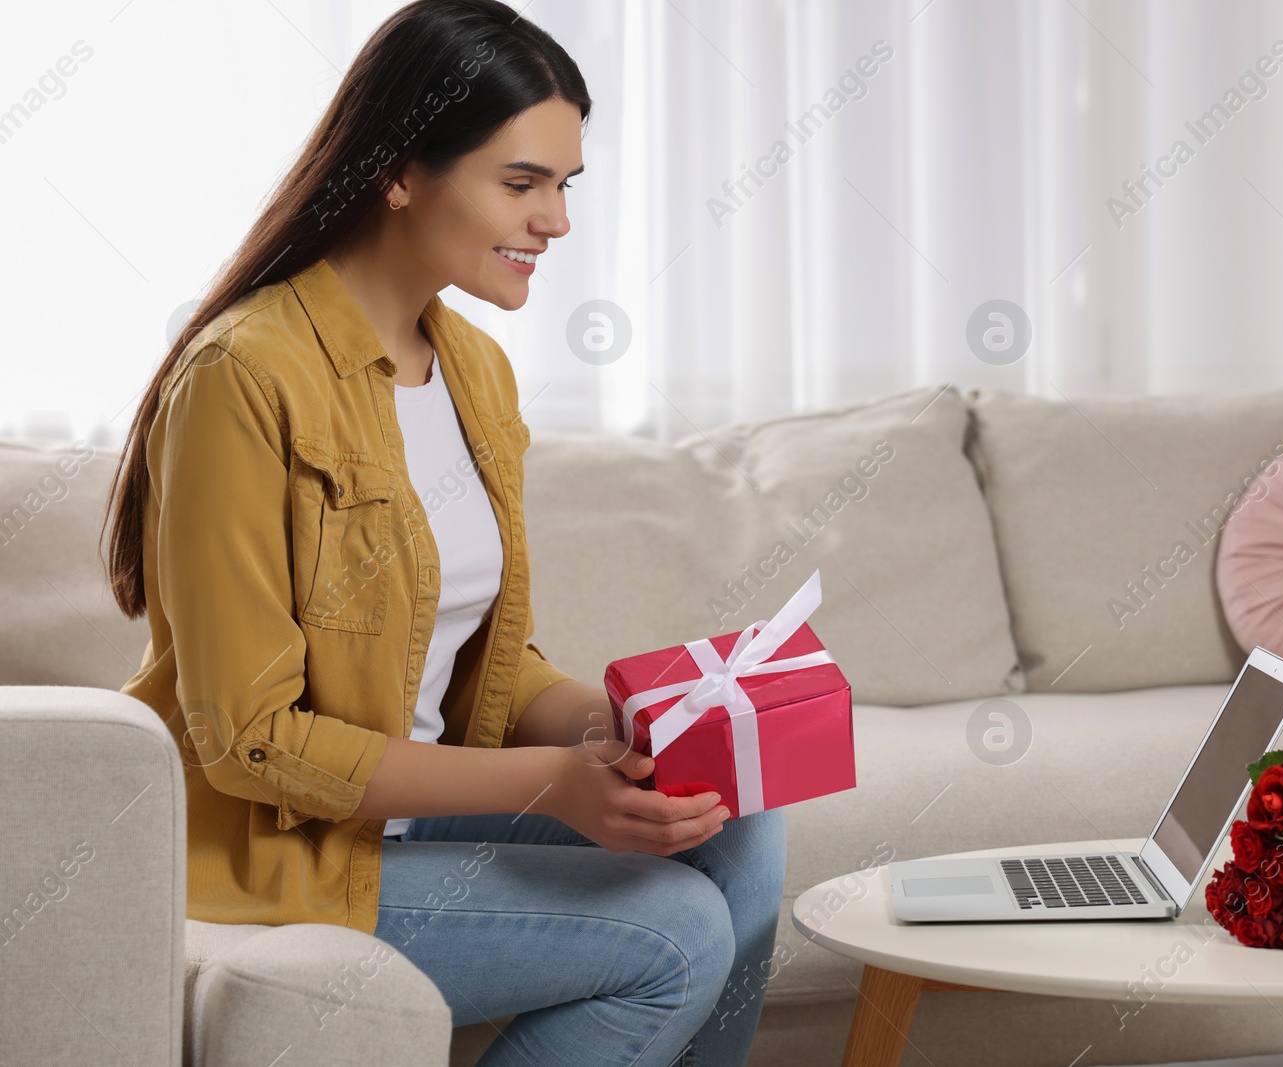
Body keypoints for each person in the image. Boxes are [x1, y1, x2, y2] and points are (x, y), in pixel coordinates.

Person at [102, 3, 785, 1063]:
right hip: (273, 853)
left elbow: (482, 668)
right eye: (521, 183)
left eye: (564, 185)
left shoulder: (472, 366)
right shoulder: (244, 375)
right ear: (400, 171)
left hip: (417, 816)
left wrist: (632, 719)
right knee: (673, 929)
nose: (555, 221)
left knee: (735, 811)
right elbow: (249, 737)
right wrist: (545, 783)